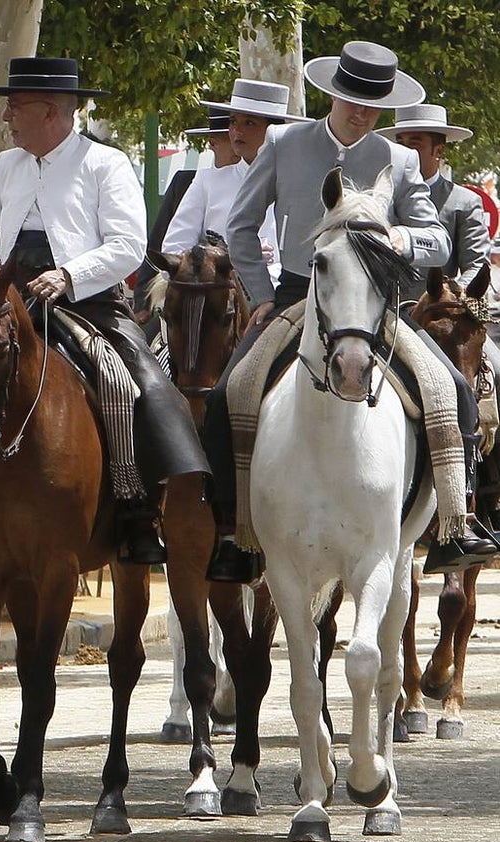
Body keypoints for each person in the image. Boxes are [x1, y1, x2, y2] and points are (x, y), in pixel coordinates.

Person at [206, 40, 490, 581]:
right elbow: (240, 225)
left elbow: (437, 241)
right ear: (332, 94)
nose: (360, 112)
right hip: (295, 298)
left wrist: (401, 239)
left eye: (371, 103)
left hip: (376, 309)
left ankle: (457, 519)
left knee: (451, 389)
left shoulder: (401, 160)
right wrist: (263, 295)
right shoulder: (285, 142)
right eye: (350, 99)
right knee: (228, 395)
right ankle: (233, 531)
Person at [0, 56, 209, 565]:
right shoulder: (7, 167)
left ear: (51, 111)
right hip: (10, 303)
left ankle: (136, 505)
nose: (7, 118)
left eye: (15, 107)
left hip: (88, 303)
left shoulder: (105, 164)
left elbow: (128, 245)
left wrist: (70, 275)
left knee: (129, 382)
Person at [161, 79, 308, 281]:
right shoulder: (207, 181)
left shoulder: (303, 185)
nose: (237, 131)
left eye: (249, 123)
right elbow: (173, 252)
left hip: (288, 301)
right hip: (220, 302)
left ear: (273, 130)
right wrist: (229, 259)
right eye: (232, 121)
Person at [377, 103, 491, 293]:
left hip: (433, 315)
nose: (405, 152)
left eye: (413, 145)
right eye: (400, 144)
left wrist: (450, 297)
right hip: (380, 311)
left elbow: (476, 265)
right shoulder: (380, 195)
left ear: (438, 151)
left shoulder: (464, 202)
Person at [132, 109, 236, 314]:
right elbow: (162, 241)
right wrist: (142, 301)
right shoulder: (190, 181)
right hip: (198, 288)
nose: (237, 140)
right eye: (230, 135)